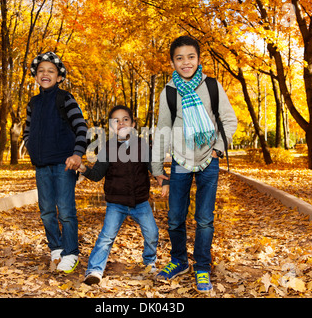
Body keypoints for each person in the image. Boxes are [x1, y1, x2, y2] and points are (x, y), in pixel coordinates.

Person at [151, 36, 237, 292]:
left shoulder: (211, 85)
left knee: (204, 219)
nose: (185, 62)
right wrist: (156, 167)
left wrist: (217, 150)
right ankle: (179, 261)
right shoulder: (169, 92)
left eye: (191, 57)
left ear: (199, 59)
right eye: (179, 58)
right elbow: (163, 129)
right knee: (175, 217)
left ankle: (201, 266)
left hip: (208, 160)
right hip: (180, 161)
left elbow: (229, 120)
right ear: (172, 62)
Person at [79, 105, 169, 285]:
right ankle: (95, 270)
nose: (121, 124)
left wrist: (163, 180)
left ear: (133, 124)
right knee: (106, 237)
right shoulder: (107, 148)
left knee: (152, 233)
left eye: (125, 119)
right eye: (116, 121)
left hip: (140, 202)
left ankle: (149, 261)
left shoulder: (143, 145)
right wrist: (83, 169)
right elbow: (97, 174)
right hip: (116, 203)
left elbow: (154, 167)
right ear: (111, 127)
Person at [23, 51, 88, 273]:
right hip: (41, 166)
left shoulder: (65, 99)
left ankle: (71, 252)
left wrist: (78, 154)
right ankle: (56, 248)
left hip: (64, 164)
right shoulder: (33, 103)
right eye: (41, 70)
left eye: (51, 70)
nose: (45, 74)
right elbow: (27, 130)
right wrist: (30, 145)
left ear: (59, 77)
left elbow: (81, 128)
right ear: (35, 76)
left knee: (66, 211)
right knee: (47, 211)